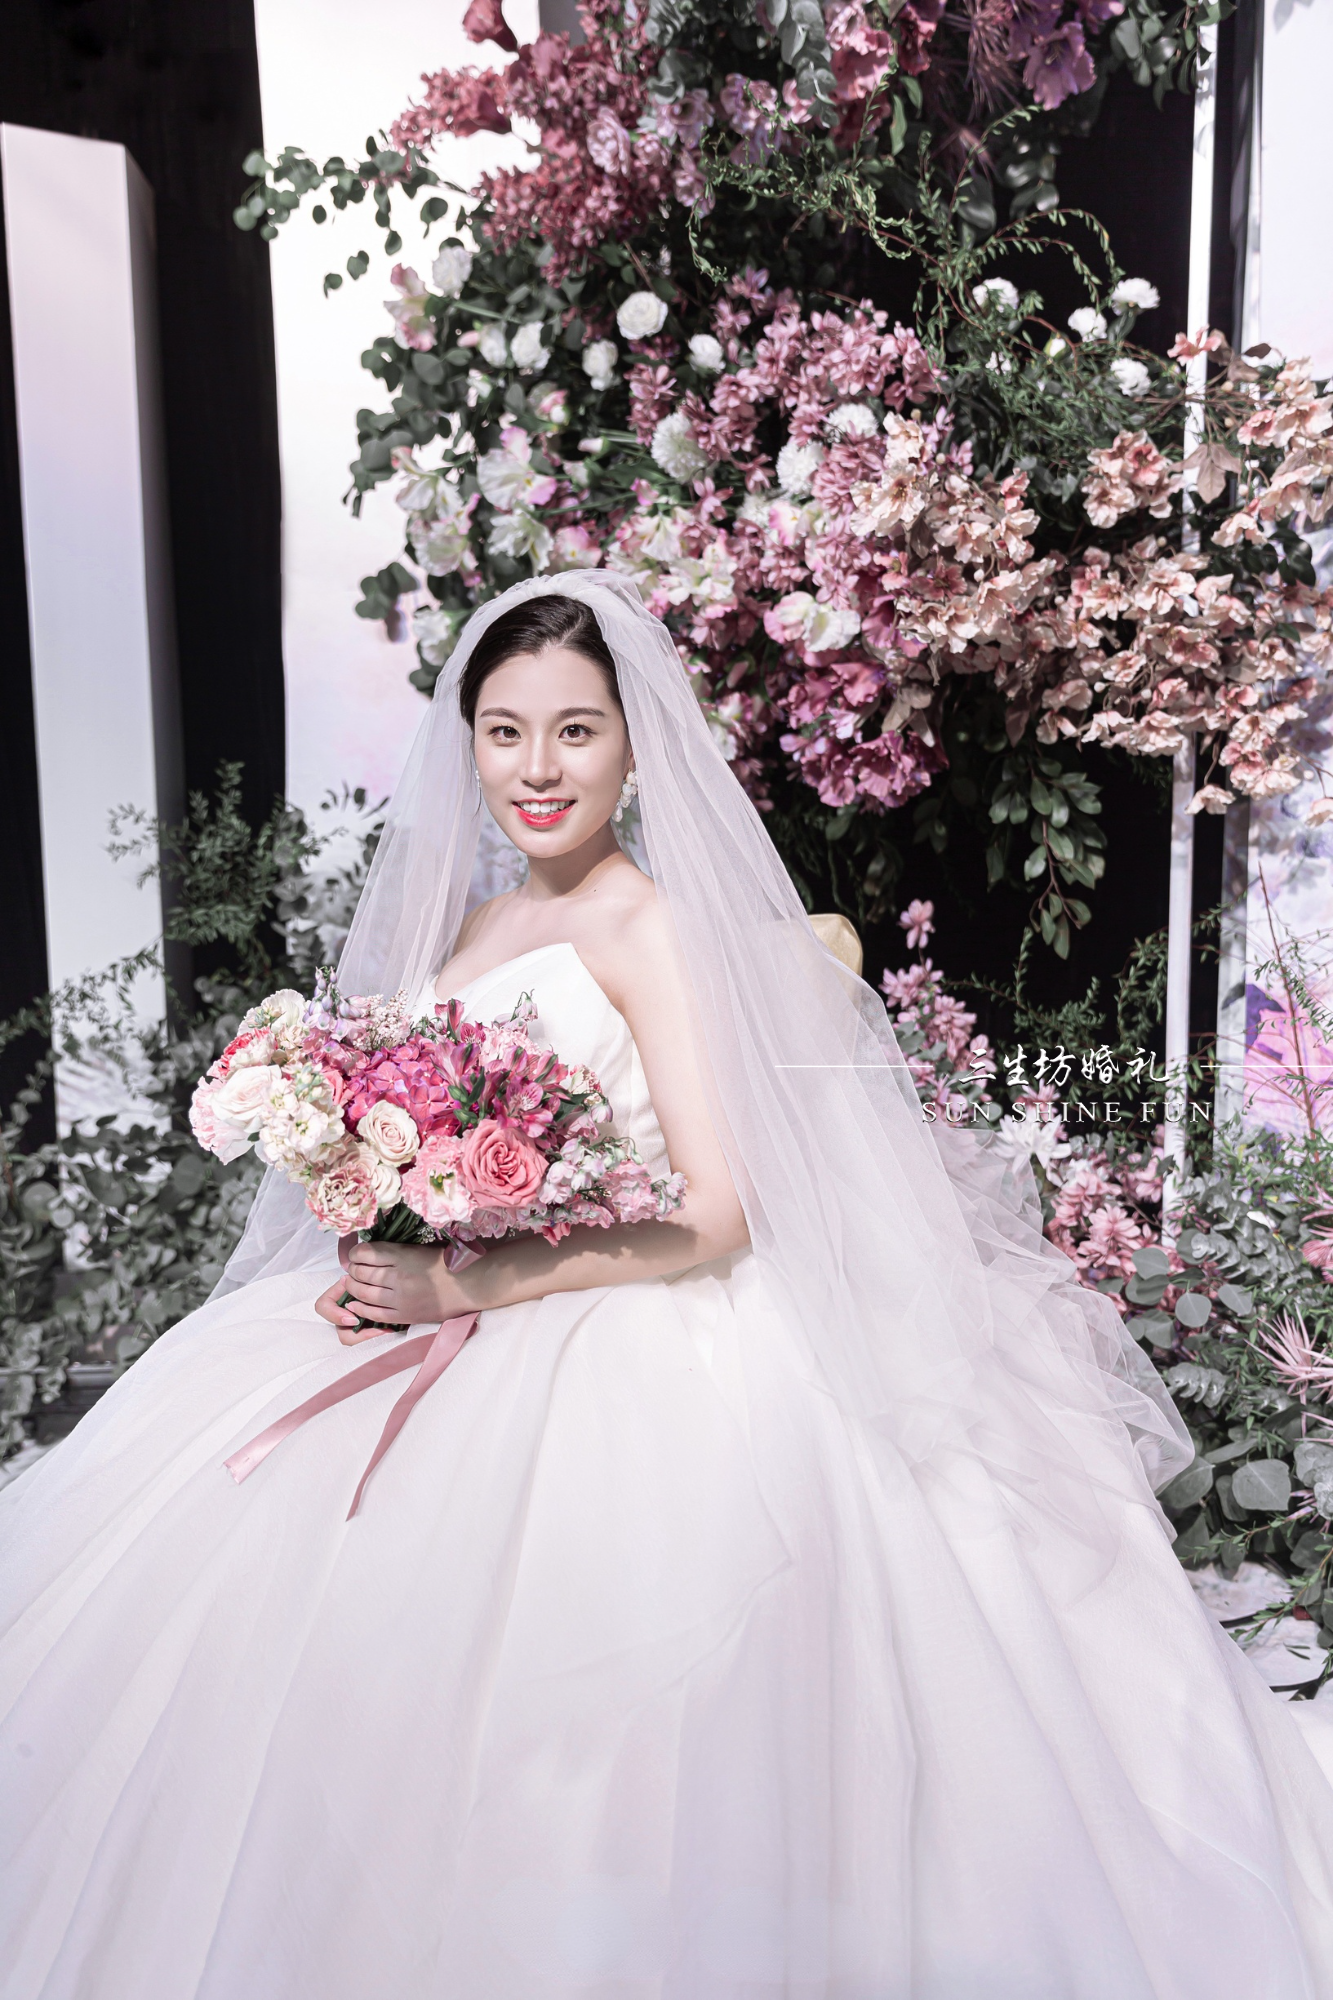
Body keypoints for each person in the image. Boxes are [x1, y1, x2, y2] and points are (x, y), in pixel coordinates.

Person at [3, 572, 1333, 2000]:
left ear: (635, 746)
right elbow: (425, 1152)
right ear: (468, 744)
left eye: (576, 731)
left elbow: (718, 1212)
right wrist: (383, 1257)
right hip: (463, 1303)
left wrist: (470, 1286)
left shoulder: (652, 930)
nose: (538, 768)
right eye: (506, 732)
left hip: (626, 1319)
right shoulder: (472, 929)